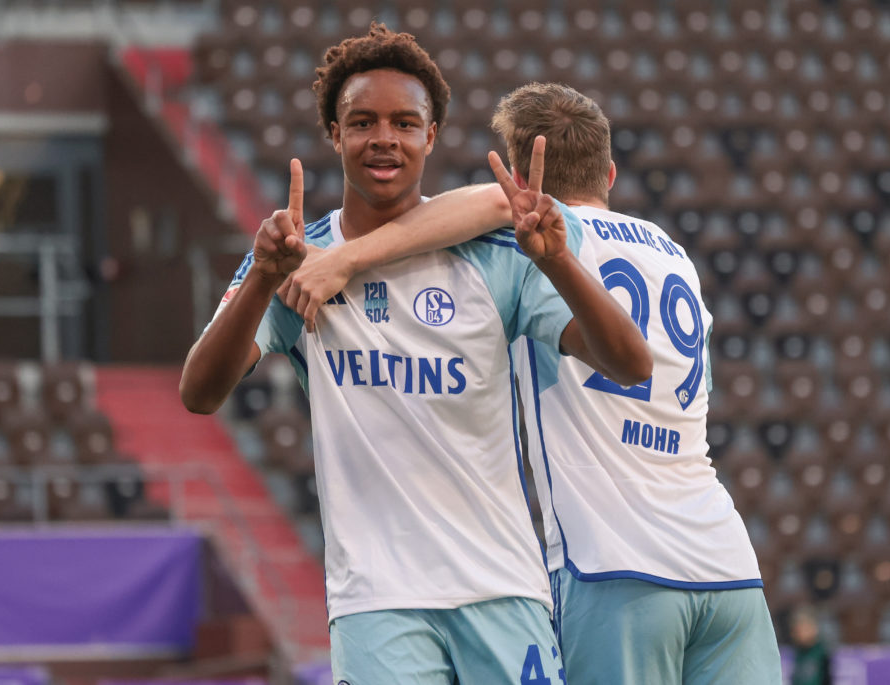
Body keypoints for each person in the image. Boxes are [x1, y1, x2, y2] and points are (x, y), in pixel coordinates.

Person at [179, 26, 650, 685]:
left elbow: (631, 363)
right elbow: (199, 392)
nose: (384, 139)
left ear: (431, 136)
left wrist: (563, 263)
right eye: (362, 121)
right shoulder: (296, 262)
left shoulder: (494, 253)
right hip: (378, 602)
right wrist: (261, 276)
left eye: (405, 122)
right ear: (334, 134)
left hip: (502, 588)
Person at [280, 82, 782, 684]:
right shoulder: (673, 252)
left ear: (520, 177)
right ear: (611, 174)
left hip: (613, 563)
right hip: (725, 560)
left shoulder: (534, 230)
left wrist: (344, 258)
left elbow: (486, 206)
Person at [790, 606, 832, 685]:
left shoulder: (822, 653)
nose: (798, 634)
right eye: (796, 630)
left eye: (803, 629)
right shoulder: (798, 652)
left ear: (814, 628)